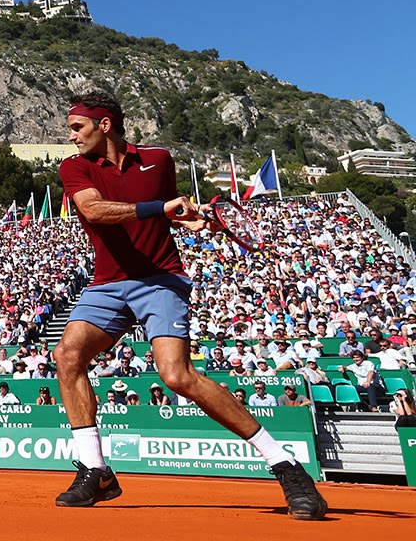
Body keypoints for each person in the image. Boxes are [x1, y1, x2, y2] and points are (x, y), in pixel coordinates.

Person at [52, 91, 326, 519]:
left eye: (76, 127)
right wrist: (162, 208)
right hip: (107, 282)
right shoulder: (74, 166)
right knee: (67, 355)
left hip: (161, 278)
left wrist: (186, 216)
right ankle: (95, 470)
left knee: (177, 375)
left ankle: (286, 466)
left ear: (104, 125)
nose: (69, 136)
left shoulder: (159, 160)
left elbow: (162, 213)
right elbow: (96, 210)